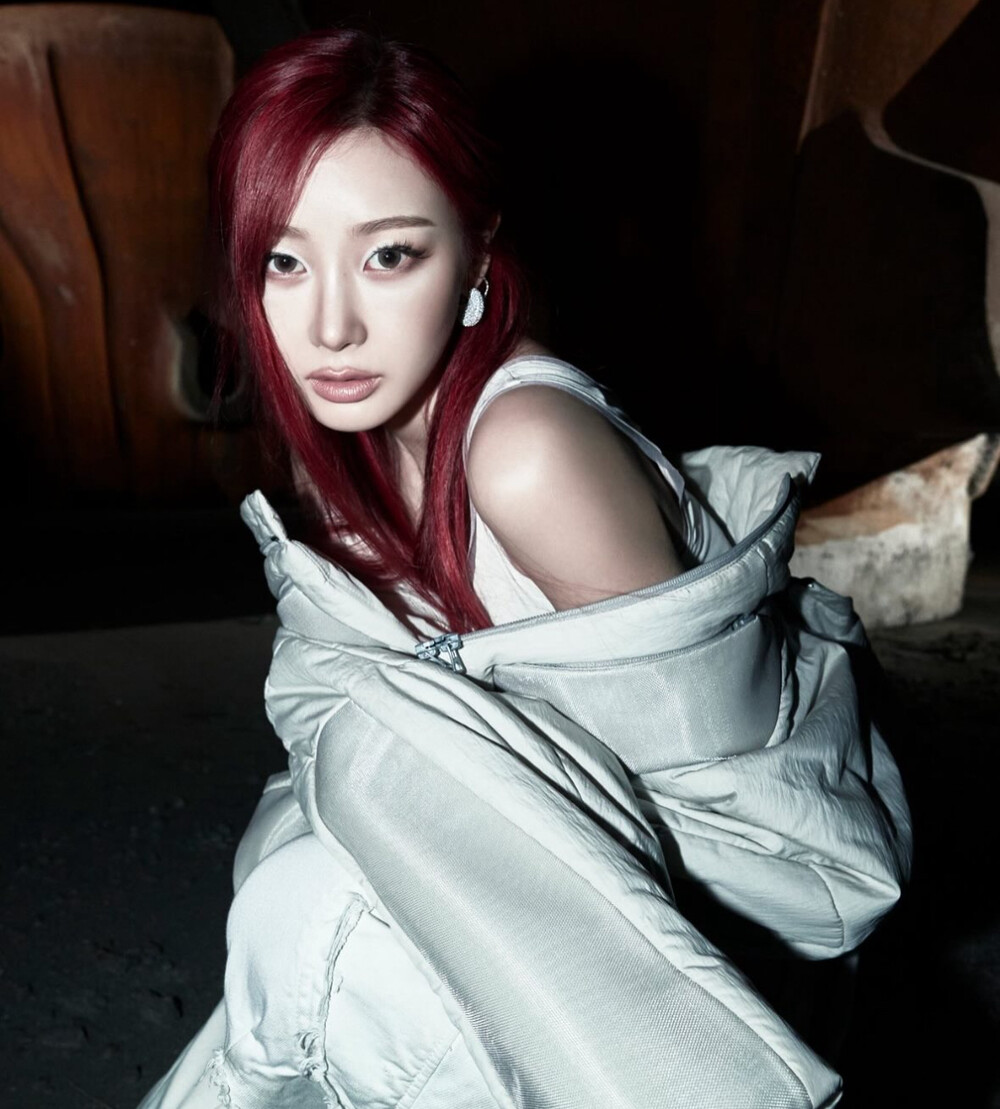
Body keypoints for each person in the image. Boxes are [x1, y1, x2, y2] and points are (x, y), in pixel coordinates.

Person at [138, 28, 911, 1109]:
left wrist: (397, 792)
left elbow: (711, 802)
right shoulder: (350, 442)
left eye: (388, 255)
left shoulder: (525, 450)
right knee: (298, 889)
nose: (330, 325)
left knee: (318, 909)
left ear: (476, 250)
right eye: (284, 259)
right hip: (509, 860)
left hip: (694, 924)